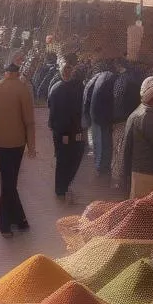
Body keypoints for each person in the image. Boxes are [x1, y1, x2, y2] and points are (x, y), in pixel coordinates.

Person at [0, 59, 36, 238]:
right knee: (9, 183)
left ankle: (19, 219)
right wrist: (31, 147)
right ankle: (5, 224)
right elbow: (29, 122)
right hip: (16, 143)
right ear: (17, 72)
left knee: (8, 180)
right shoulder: (22, 89)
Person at [47, 58, 87, 200]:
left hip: (70, 130)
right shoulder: (59, 88)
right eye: (66, 69)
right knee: (65, 158)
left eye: (71, 70)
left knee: (69, 157)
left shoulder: (72, 88)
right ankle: (61, 188)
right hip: (64, 131)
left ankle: (63, 185)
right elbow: (55, 109)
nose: (68, 72)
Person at [111, 61, 143, 187]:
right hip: (127, 119)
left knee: (118, 149)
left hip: (118, 119)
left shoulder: (119, 80)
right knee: (123, 149)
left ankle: (117, 177)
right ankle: (122, 179)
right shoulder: (134, 82)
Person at [82, 62, 116, 178]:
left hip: (94, 113)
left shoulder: (96, 78)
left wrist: (86, 113)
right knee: (103, 140)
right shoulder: (110, 78)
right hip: (100, 114)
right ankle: (102, 167)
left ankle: (100, 165)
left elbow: (86, 94)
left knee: (98, 140)